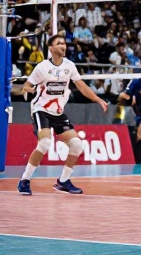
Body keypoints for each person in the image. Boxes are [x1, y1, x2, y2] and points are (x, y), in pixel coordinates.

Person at [17, 33, 109, 196]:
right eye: (59, 43)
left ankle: (63, 182)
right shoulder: (42, 67)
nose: (64, 46)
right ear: (51, 48)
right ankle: (25, 180)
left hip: (58, 113)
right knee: (45, 143)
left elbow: (81, 86)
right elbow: (27, 85)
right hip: (41, 109)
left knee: (77, 145)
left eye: (64, 43)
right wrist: (28, 89)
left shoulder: (69, 66)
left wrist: (98, 100)